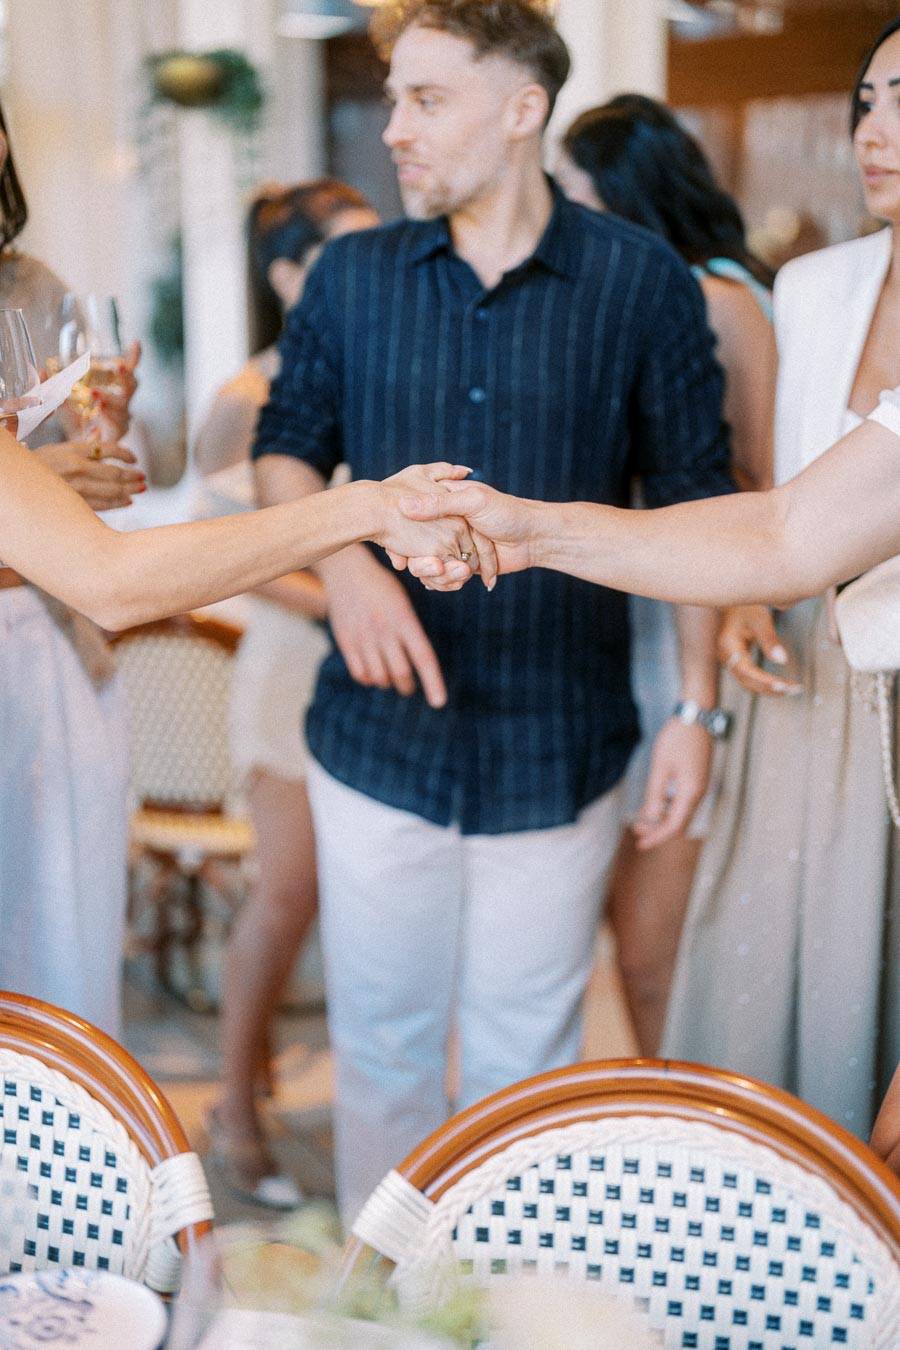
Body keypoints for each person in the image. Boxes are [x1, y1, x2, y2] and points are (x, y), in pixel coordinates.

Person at [252, 0, 734, 1228]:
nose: (396, 131)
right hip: (375, 742)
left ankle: (502, 1303)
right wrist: (351, 566)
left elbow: (697, 503)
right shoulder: (354, 277)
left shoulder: (643, 281)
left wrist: (694, 709)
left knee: (527, 1071)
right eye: (394, 98)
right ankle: (385, 1316)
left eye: (427, 100)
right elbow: (284, 450)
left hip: (555, 745)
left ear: (523, 111)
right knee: (385, 1056)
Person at [555, 95, 776, 1055]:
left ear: (622, 191)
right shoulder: (618, 299)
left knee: (659, 946)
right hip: (641, 617)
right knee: (632, 937)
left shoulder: (716, 299)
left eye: (570, 190)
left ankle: (686, 1151)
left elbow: (763, 482)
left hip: (707, 624)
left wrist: (705, 687)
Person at [195, 181, 379, 1208]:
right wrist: (351, 597)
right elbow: (228, 557)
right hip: (294, 666)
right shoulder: (247, 397)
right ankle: (233, 1103)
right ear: (287, 273)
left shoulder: (373, 364)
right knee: (288, 893)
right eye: (343, 253)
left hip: (376, 665)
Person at [0, 99, 144, 1040]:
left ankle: (63, 1169)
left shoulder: (30, 289)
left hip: (47, 637)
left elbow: (120, 467)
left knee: (66, 940)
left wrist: (113, 423)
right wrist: (39, 482)